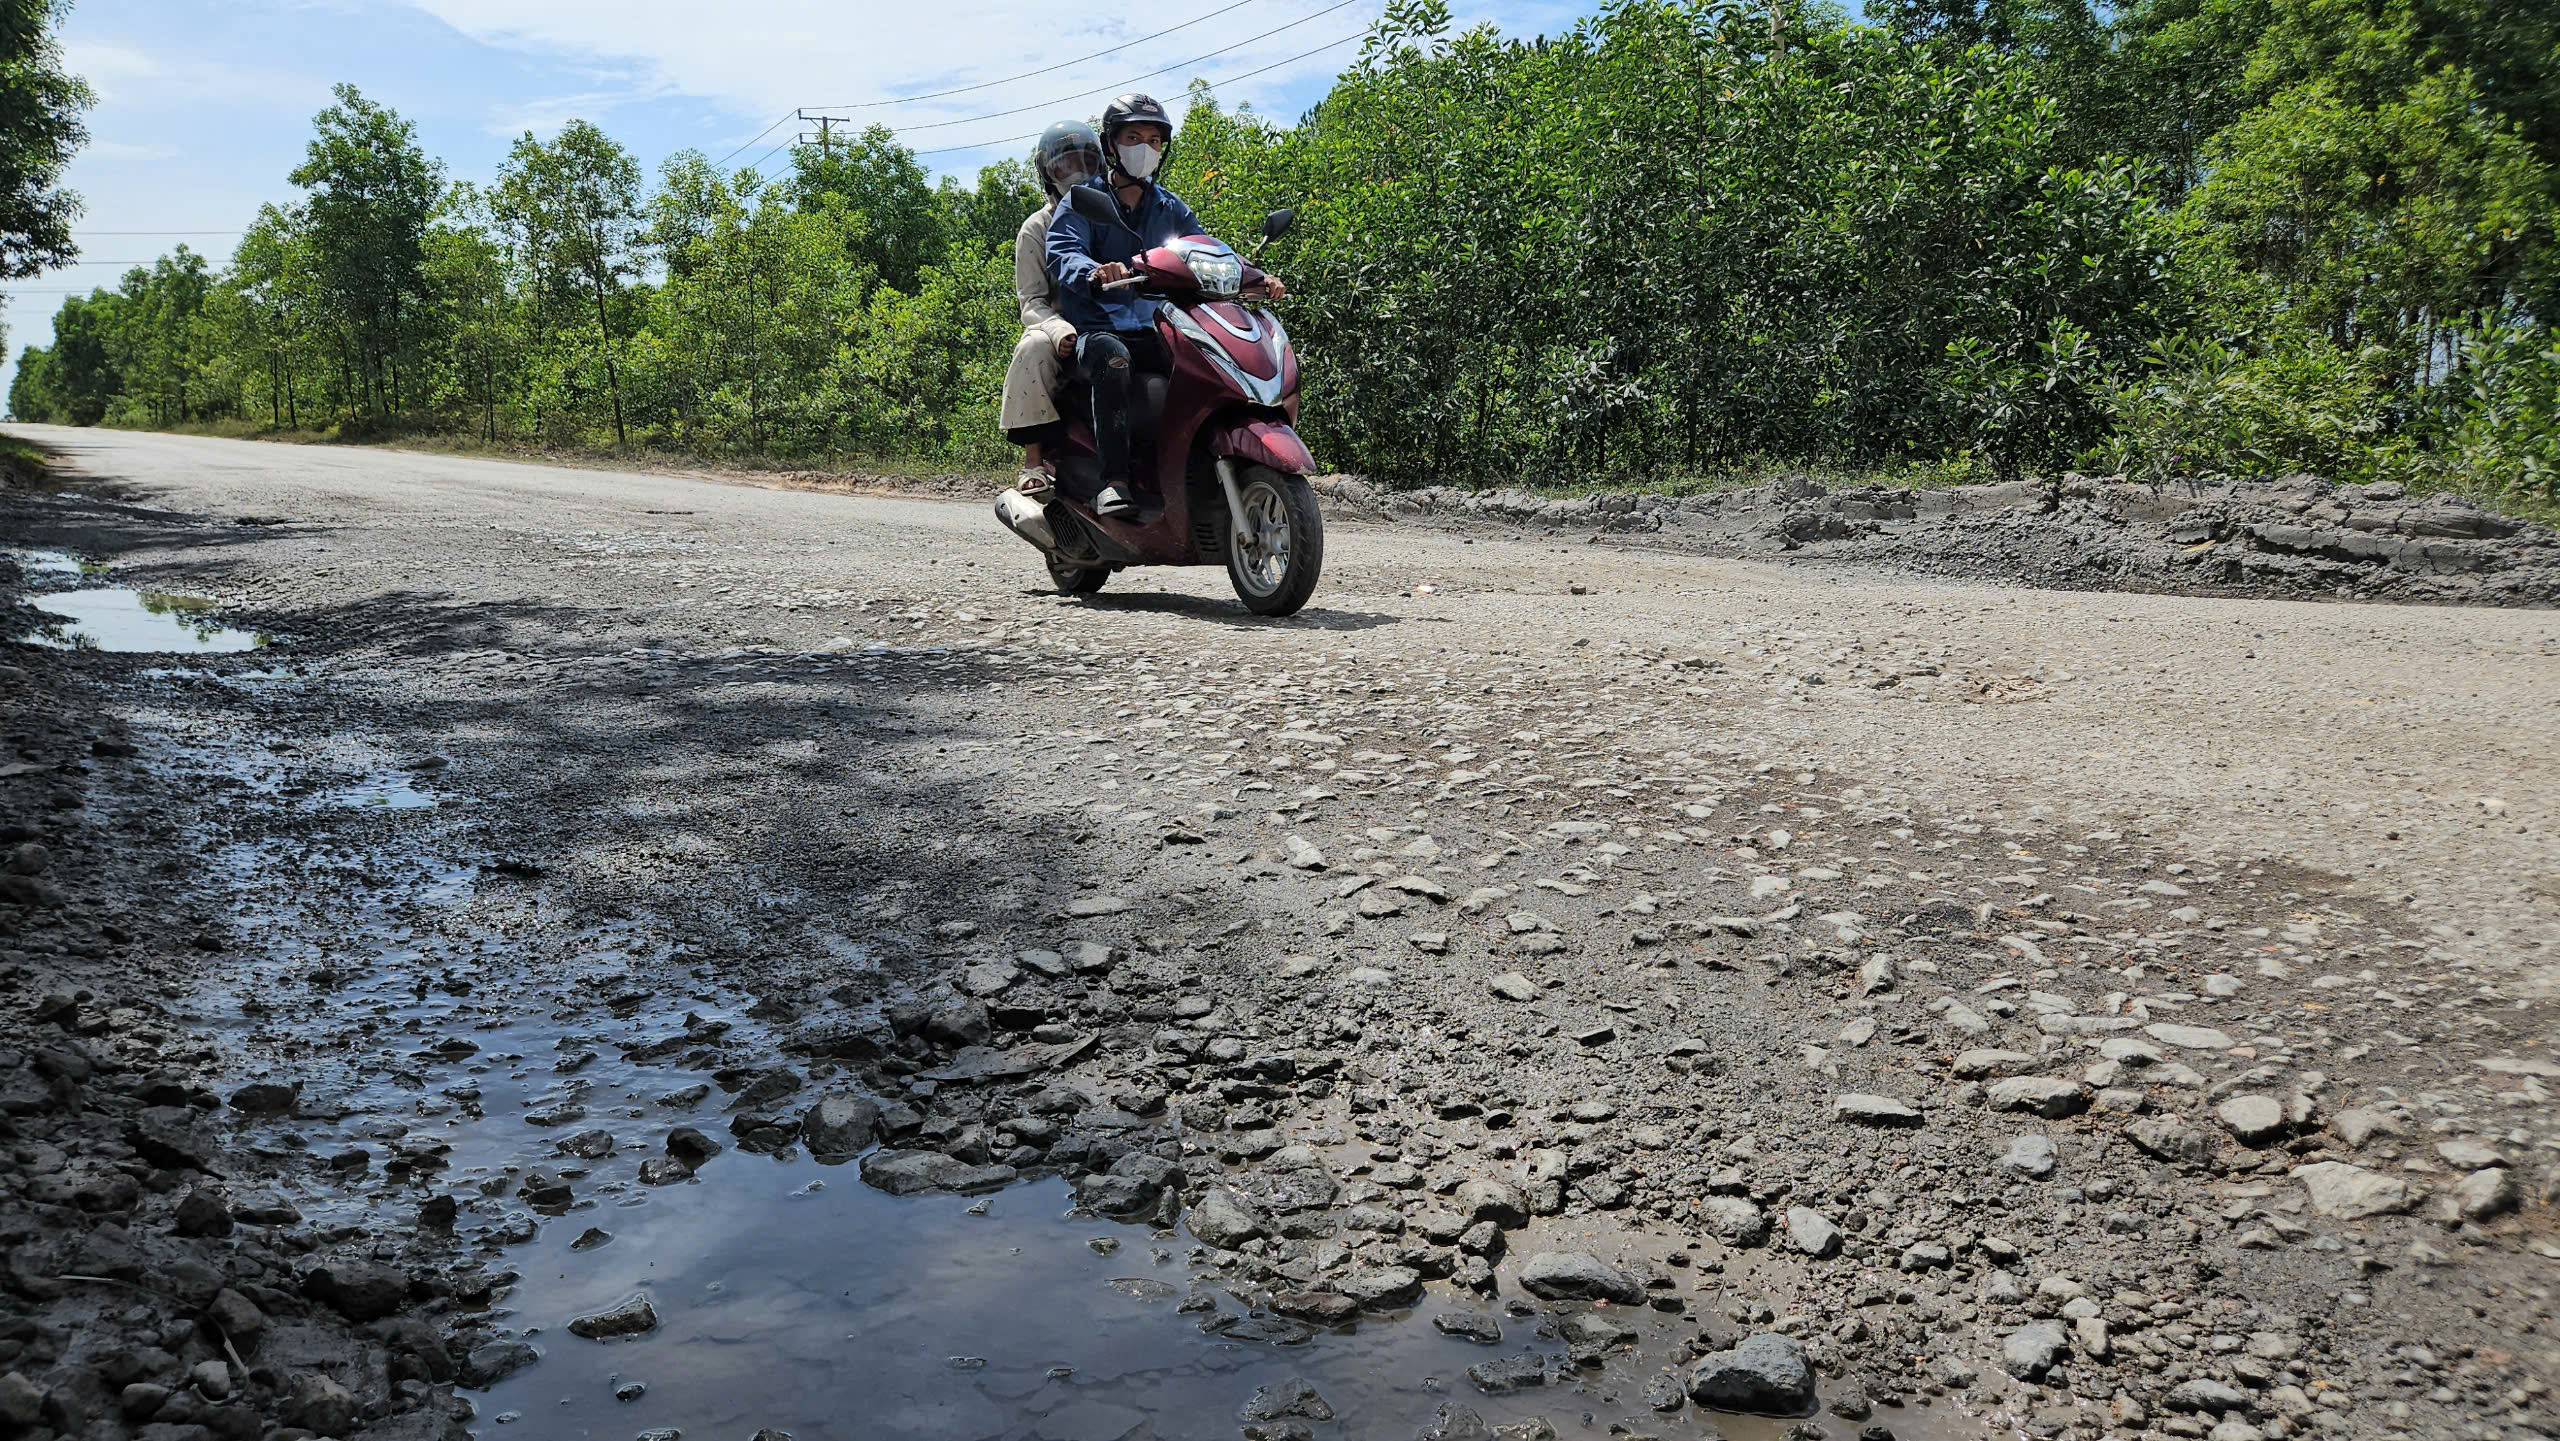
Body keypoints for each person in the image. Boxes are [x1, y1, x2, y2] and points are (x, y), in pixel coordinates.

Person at [1047, 93, 1284, 517]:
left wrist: (1254, 275)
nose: (1146, 148)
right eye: (1134, 137)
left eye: (1155, 140)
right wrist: (1095, 272)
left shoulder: (1170, 206)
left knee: (1211, 363)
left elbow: (1207, 250)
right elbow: (1063, 252)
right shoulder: (1083, 199)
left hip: (1158, 326)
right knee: (1113, 358)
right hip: (1099, 330)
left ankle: (1194, 471)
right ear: (1111, 146)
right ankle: (1113, 481)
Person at [1002, 120, 1103, 494]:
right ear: (1048, 174)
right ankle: (1033, 462)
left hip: (1116, 318)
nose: (1077, 173)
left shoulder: (1115, 214)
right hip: (1064, 326)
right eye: (1065, 165)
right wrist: (1059, 329)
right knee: (1032, 348)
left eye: (1086, 162)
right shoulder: (1036, 228)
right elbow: (1031, 301)